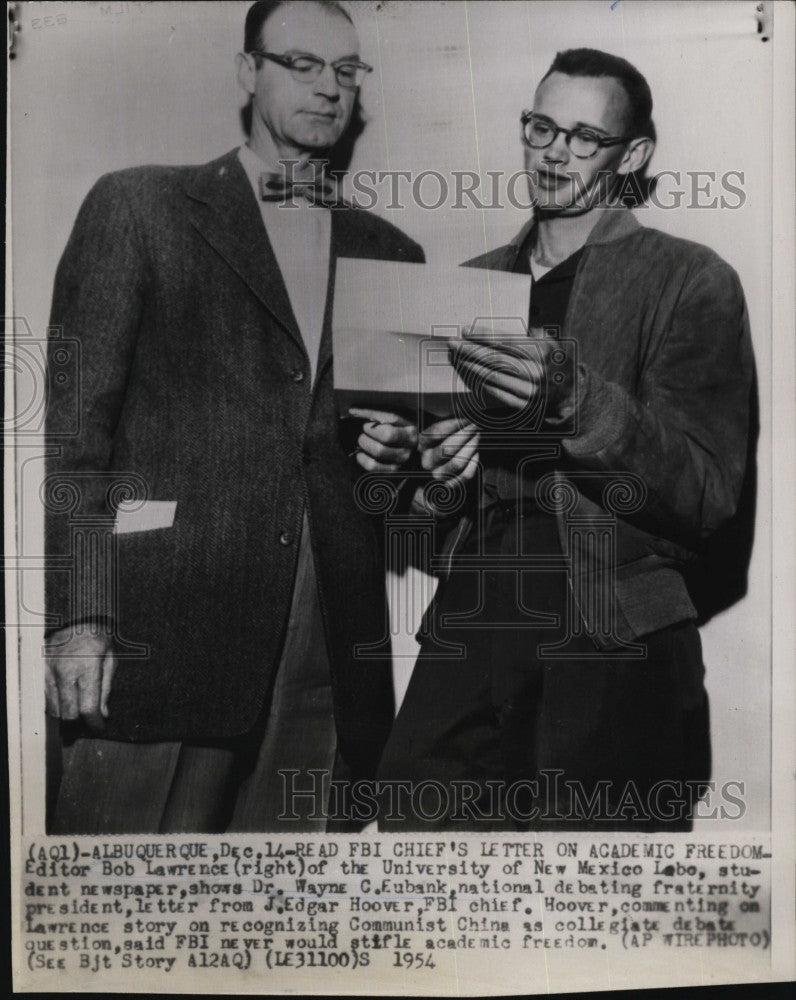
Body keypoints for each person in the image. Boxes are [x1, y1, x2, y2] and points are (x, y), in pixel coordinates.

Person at [44, 0, 423, 834]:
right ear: (248, 72)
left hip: (326, 633)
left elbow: (390, 484)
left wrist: (400, 461)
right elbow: (76, 438)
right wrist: (79, 614)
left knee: (273, 921)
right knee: (120, 912)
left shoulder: (393, 254)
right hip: (163, 622)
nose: (329, 89)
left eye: (347, 72)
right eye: (303, 65)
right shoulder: (140, 209)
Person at [370, 48, 754, 830]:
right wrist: (421, 471)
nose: (553, 152)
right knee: (422, 861)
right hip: (477, 620)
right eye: (540, 126)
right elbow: (428, 506)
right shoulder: (470, 283)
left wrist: (575, 398)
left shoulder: (689, 280)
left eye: (584, 137)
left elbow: (709, 495)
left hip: (615, 634)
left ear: (633, 155)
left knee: (601, 921)